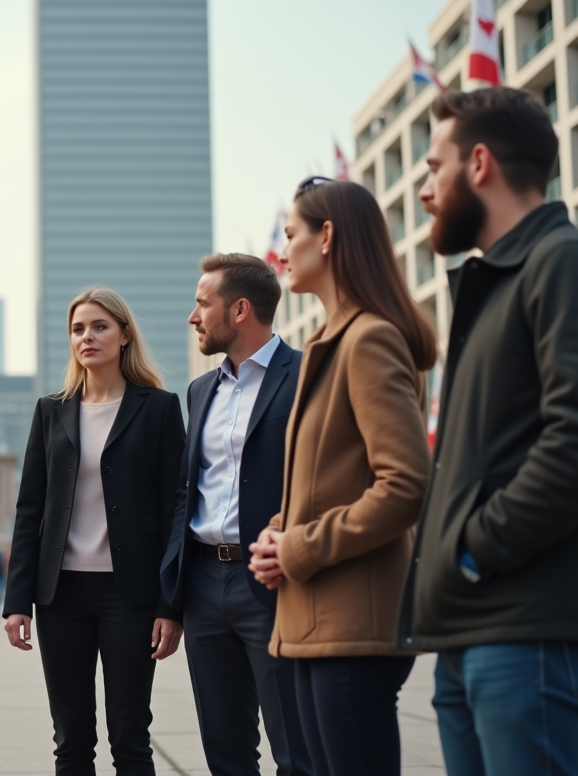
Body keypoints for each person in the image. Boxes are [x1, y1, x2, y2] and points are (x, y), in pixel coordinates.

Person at [399, 87, 578, 774]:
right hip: (468, 632)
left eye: (432, 168)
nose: (423, 192)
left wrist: (475, 549)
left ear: (479, 164)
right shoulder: (491, 283)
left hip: (522, 631)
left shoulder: (556, 262)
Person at [248, 177, 435, 776]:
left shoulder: (368, 340)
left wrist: (297, 546)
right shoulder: (329, 340)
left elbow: (404, 485)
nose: (282, 252)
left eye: (291, 235)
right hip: (313, 619)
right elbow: (321, 481)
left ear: (326, 238)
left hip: (353, 624)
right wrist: (276, 534)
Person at [4, 286, 184, 775]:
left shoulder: (160, 408)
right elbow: (29, 511)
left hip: (131, 596)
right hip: (60, 594)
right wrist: (18, 600)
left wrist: (171, 606)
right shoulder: (51, 410)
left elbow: (176, 511)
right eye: (78, 328)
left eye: (100, 326)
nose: (88, 336)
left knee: (130, 737)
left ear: (124, 336)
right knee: (71, 739)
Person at [160, 254, 311, 776]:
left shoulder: (306, 377)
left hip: (272, 582)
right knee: (225, 751)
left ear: (240, 309)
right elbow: (188, 491)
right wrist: (173, 594)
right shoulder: (201, 390)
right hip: (203, 584)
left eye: (203, 303)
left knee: (297, 746)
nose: (193, 315)